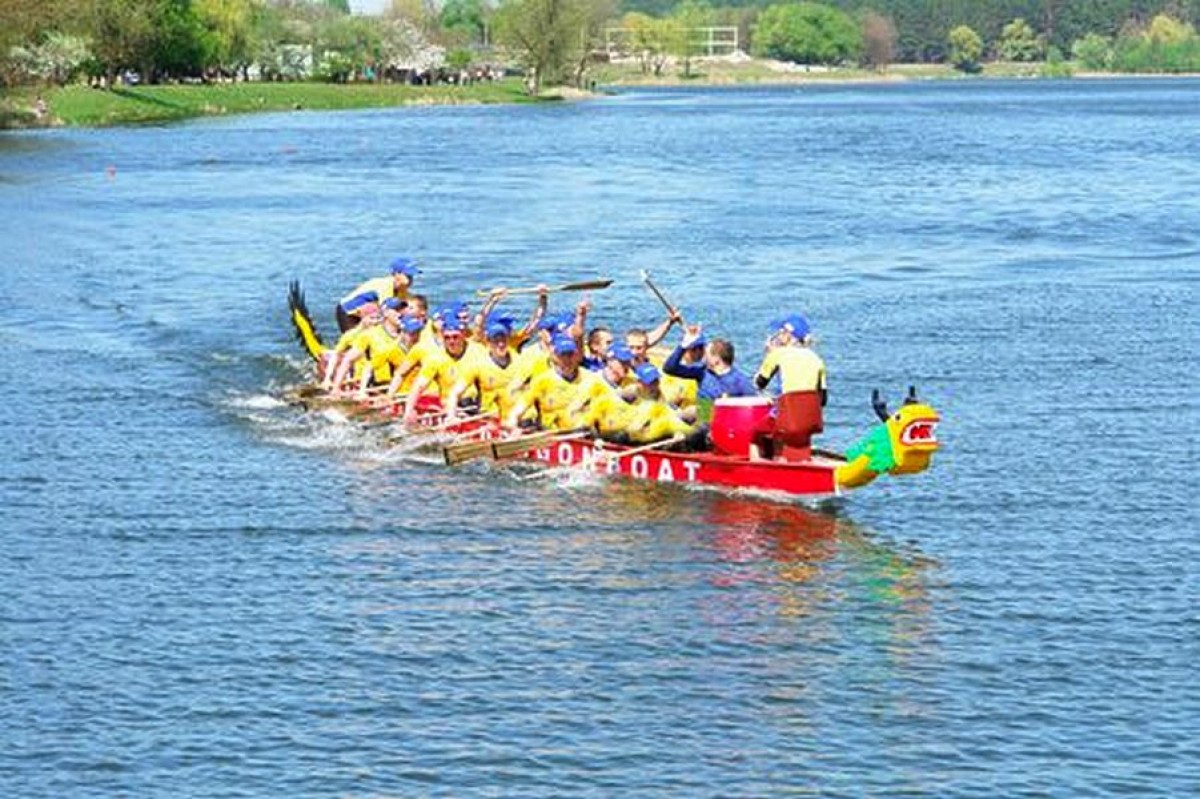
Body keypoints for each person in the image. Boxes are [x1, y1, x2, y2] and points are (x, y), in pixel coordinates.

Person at [505, 335, 597, 432]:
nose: (567, 360)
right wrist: (513, 425)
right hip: (551, 434)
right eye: (562, 355)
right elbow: (516, 412)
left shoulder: (592, 378)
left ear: (577, 355)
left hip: (583, 434)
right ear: (554, 357)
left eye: (570, 355)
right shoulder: (542, 382)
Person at [663, 323, 758, 416]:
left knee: (695, 411)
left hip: (723, 421)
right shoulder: (702, 371)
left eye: (707, 353)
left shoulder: (740, 381)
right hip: (703, 417)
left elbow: (754, 405)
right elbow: (669, 368)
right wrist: (684, 345)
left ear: (716, 360)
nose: (704, 355)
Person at [401, 317, 483, 424]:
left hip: (476, 405)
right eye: (447, 338)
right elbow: (419, 386)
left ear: (463, 335)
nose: (451, 341)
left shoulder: (478, 350)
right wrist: (409, 411)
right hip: (450, 407)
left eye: (455, 337)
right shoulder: (436, 358)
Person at [444, 315, 522, 423]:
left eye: (503, 339)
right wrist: (451, 415)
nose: (500, 344)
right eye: (496, 340)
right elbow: (455, 393)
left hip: (516, 419)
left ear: (508, 339)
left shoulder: (521, 362)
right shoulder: (478, 365)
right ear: (488, 342)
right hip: (490, 420)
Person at [753, 315, 827, 404]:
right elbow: (822, 399)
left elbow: (759, 384)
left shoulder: (777, 354)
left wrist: (769, 355)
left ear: (787, 335)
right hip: (811, 416)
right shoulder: (817, 360)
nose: (777, 337)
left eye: (779, 333)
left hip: (787, 413)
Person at [335, 256, 421, 332]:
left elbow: (412, 305)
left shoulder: (402, 291)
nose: (411, 280)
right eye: (408, 276)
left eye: (412, 277)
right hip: (348, 313)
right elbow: (387, 311)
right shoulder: (384, 286)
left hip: (366, 314)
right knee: (355, 340)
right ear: (396, 274)